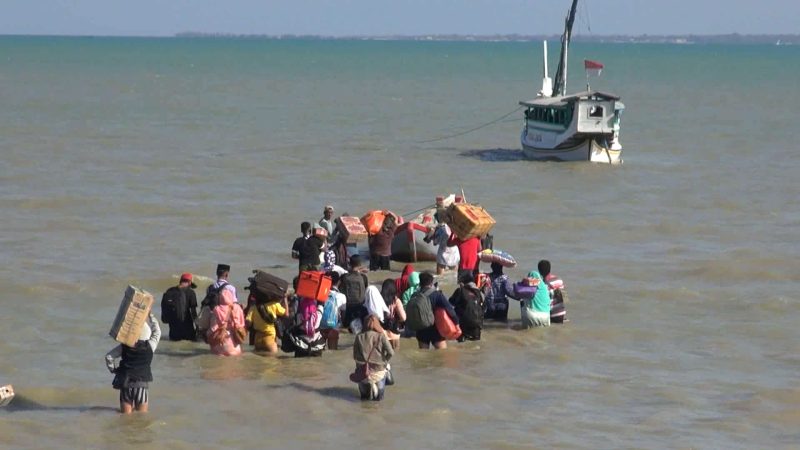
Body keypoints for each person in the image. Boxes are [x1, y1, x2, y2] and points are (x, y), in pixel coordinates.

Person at [105, 313, 161, 414]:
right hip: (141, 384)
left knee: (126, 418)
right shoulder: (151, 345)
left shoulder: (125, 346)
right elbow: (157, 331)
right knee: (141, 418)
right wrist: (150, 315)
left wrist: (113, 370)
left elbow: (109, 357)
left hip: (125, 384)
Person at [351, 315, 394, 401]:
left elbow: (355, 356)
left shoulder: (359, 337)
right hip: (378, 373)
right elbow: (391, 353)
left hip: (363, 373)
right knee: (379, 401)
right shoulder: (381, 337)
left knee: (363, 400)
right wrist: (384, 361)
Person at [412, 271, 459, 350]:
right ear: (431, 283)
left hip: (421, 329)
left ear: (420, 283)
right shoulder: (437, 295)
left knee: (423, 354)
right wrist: (456, 324)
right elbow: (450, 310)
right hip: (436, 329)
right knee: (442, 353)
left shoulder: (415, 296)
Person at [196, 264, 238, 338]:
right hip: (226, 319)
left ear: (216, 273)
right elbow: (234, 306)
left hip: (213, 318)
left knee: (213, 338)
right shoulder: (231, 288)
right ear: (227, 274)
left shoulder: (210, 287)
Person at [207, 282, 247, 356]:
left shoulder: (217, 309)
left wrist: (207, 335)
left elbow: (213, 328)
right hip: (235, 344)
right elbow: (242, 325)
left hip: (221, 345)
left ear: (220, 298)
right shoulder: (238, 308)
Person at [160, 272, 198, 341]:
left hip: (173, 331)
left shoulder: (170, 291)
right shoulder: (191, 292)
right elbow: (193, 313)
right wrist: (198, 327)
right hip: (188, 331)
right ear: (190, 282)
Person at [448, 272, 484, 341]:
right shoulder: (479, 292)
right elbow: (483, 307)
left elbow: (450, 303)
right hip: (478, 324)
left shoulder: (460, 290)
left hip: (464, 323)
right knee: (475, 344)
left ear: (463, 282)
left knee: (461, 343)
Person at [341, 255, 370, 332]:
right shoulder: (363, 277)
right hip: (360, 310)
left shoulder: (344, 277)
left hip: (348, 310)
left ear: (349, 264)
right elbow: (366, 291)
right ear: (360, 265)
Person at [319, 271, 347, 350]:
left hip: (321, 325)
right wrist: (341, 326)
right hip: (333, 326)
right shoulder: (342, 296)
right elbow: (343, 314)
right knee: (333, 351)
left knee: (321, 350)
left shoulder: (320, 294)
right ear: (339, 282)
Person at [538, 260, 568, 324]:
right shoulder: (559, 280)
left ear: (540, 272)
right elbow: (565, 298)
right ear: (550, 269)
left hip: (551, 316)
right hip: (562, 313)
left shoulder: (543, 285)